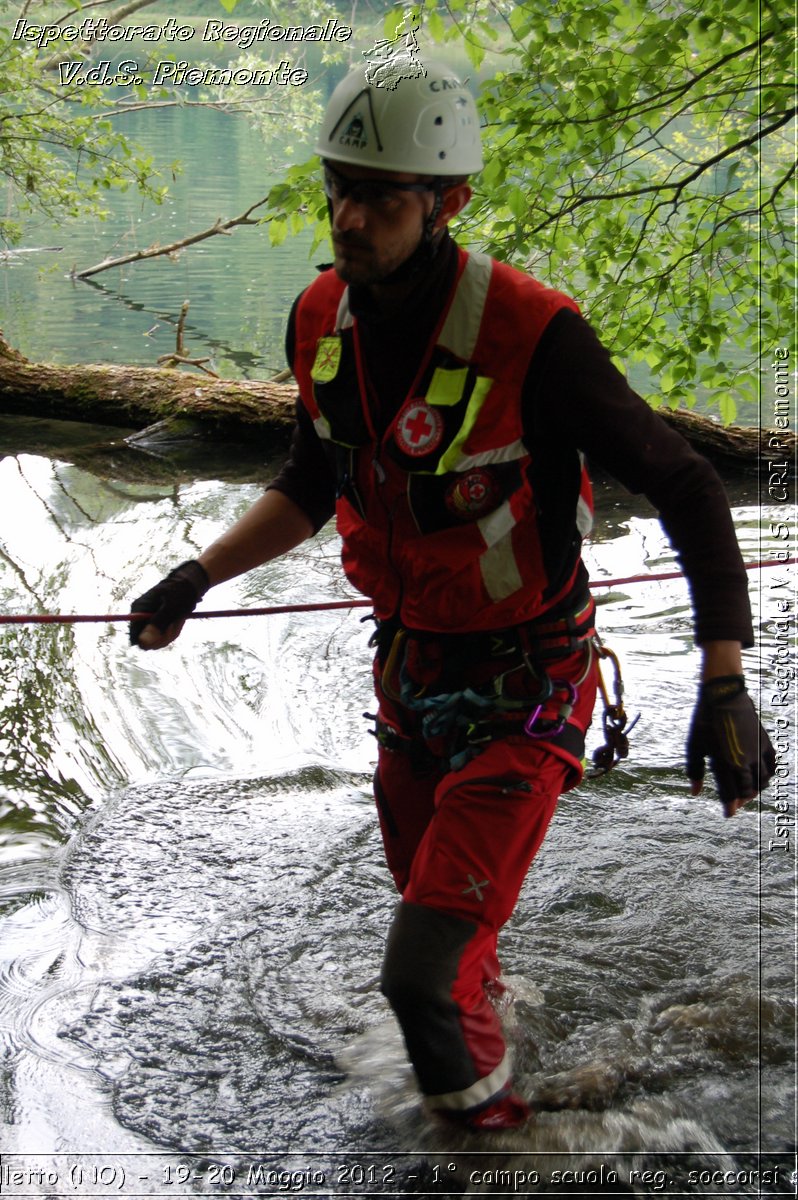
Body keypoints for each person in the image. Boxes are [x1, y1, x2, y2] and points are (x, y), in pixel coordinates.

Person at [129, 61, 776, 1132]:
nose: (351, 217)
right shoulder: (320, 319)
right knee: (451, 953)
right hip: (412, 684)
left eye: (384, 198)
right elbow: (311, 483)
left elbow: (687, 482)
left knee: (417, 980)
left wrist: (725, 683)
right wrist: (196, 576)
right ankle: (504, 1068)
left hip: (527, 693)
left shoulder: (532, 333)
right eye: (339, 188)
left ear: (447, 204)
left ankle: (497, 1153)